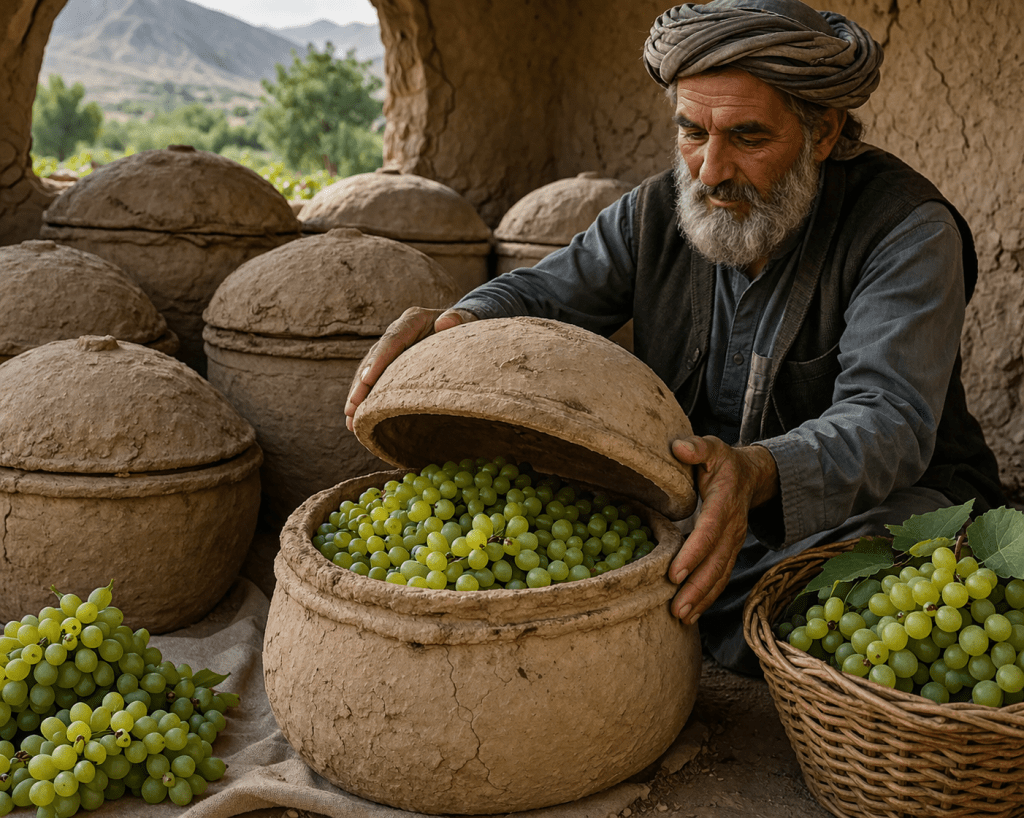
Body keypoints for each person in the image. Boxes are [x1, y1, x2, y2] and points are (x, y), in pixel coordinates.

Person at [345, 0, 1006, 674]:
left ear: (825, 131)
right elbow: (542, 294)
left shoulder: (906, 231)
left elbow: (887, 421)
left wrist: (757, 470)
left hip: (878, 507)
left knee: (854, 595)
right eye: (692, 132)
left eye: (747, 137)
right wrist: (462, 322)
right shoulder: (657, 210)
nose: (710, 170)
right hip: (693, 501)